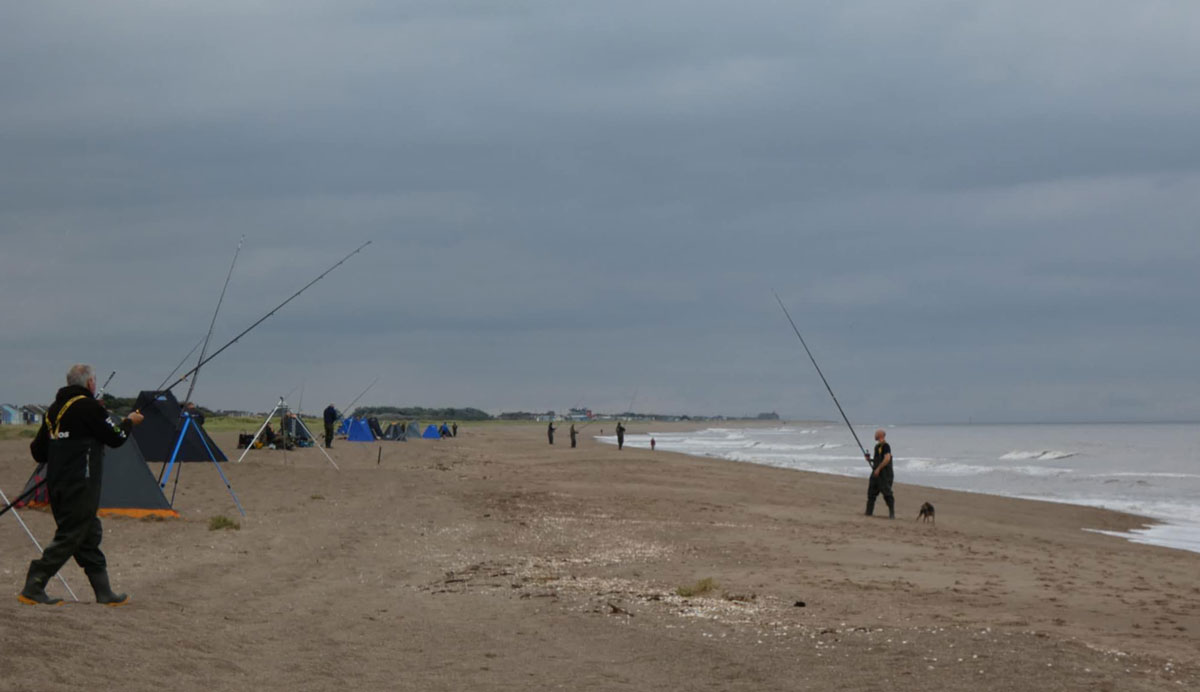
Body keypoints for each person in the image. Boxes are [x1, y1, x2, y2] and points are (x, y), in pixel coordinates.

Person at [18, 364, 144, 606]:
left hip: (57, 485)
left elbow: (38, 452)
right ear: (89, 384)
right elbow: (116, 437)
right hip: (80, 484)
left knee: (88, 534)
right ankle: (35, 583)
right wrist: (130, 422)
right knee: (71, 535)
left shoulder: (54, 410)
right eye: (93, 381)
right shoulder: (88, 407)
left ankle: (104, 593)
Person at [864, 429, 895, 519]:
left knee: (887, 493)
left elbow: (887, 459)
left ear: (880, 435)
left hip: (884, 474)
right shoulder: (877, 446)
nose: (874, 435)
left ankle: (892, 514)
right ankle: (868, 512)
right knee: (871, 493)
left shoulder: (885, 446)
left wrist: (878, 469)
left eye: (876, 434)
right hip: (876, 473)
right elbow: (879, 460)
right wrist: (870, 460)